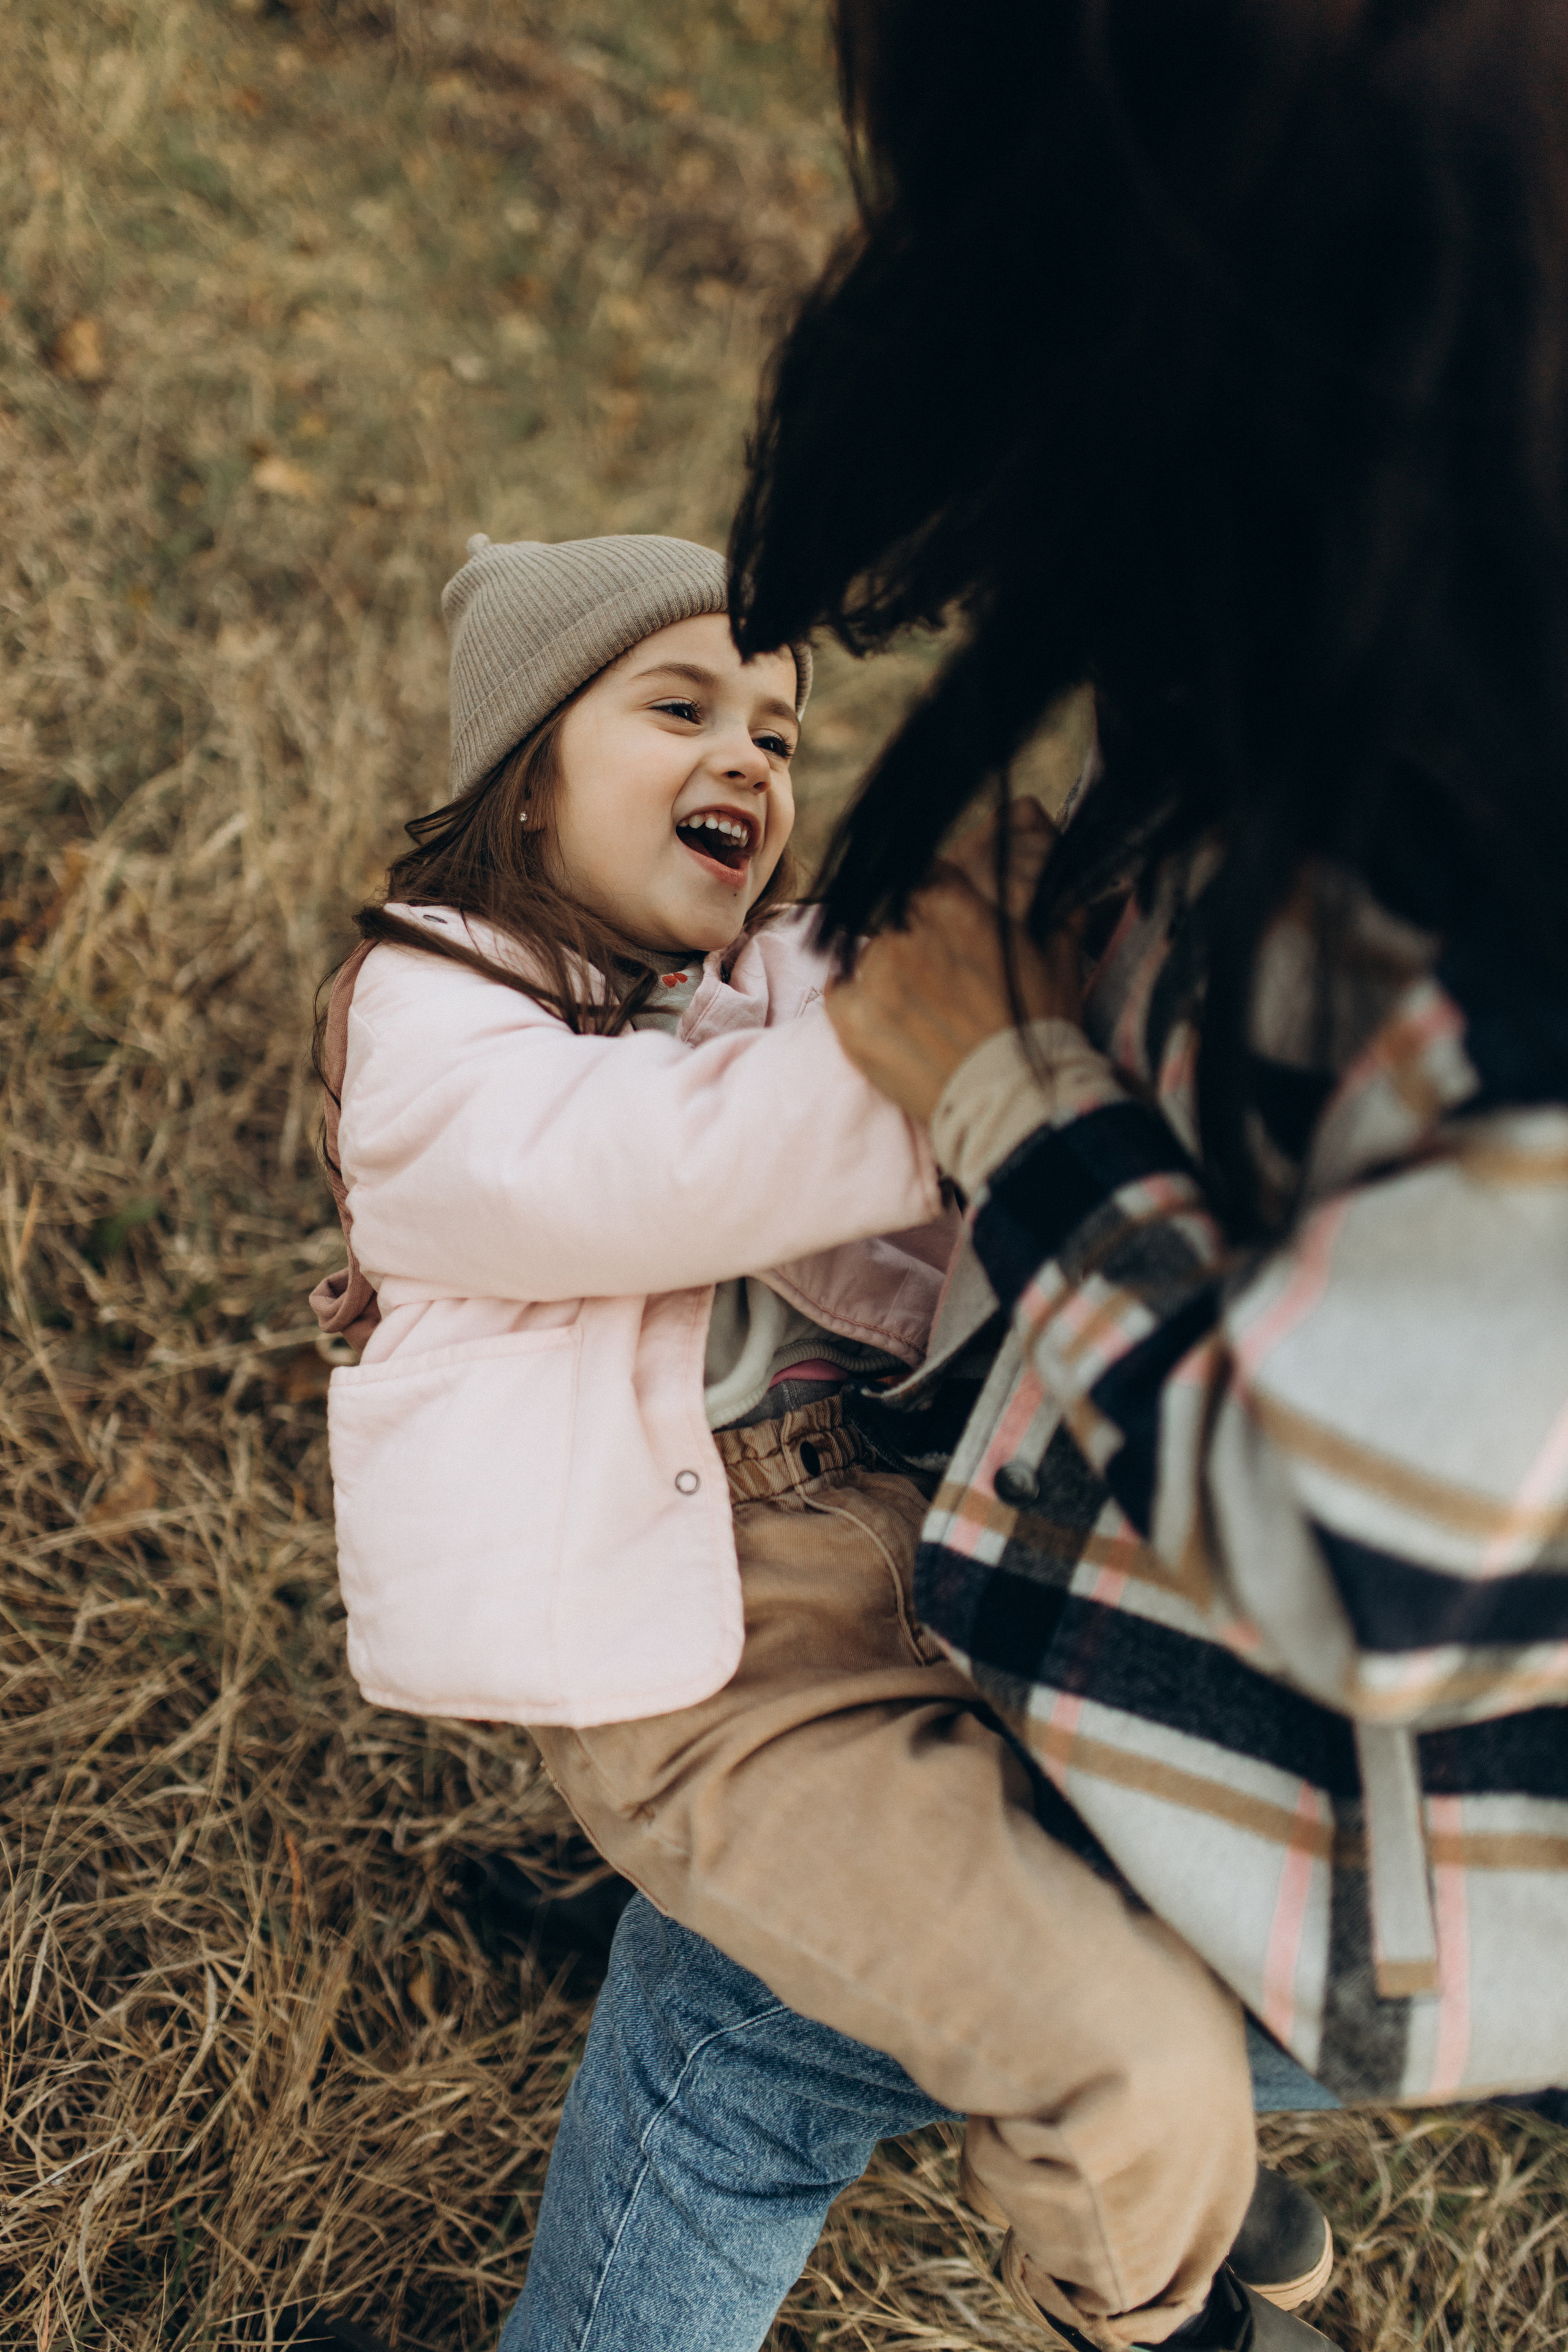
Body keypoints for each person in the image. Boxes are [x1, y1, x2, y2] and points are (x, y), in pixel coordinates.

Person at [509, 0, 1568, 2344]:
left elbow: (1365, 1564)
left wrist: (1003, 1082)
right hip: (1230, 1627)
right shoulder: (1397, 602)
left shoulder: (1516, 994)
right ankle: (1225, 2231)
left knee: (740, 2031)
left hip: (1403, 1792)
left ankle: (1175, 2271)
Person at [309, 532, 1336, 2352]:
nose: (755, 763)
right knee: (1121, 2048)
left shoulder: (735, 993)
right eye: (683, 706)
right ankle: (1180, 2302)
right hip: (715, 1694)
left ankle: (1214, 2180)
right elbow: (669, 1162)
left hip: (888, 1565)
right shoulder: (425, 1026)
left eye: (781, 734)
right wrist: (945, 1042)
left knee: (1148, 1910)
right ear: (527, 788)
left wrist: (1015, 946)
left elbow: (894, 1230)